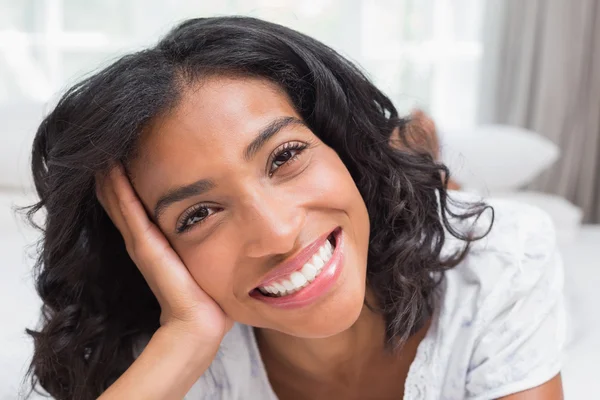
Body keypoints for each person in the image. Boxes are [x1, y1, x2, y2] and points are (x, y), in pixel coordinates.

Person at [22, 17, 565, 400]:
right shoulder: (162, 352)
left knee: (428, 189)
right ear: (151, 252)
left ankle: (412, 155)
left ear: (343, 148)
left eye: (285, 155)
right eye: (197, 214)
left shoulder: (500, 255)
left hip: (414, 215)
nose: (278, 233)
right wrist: (185, 339)